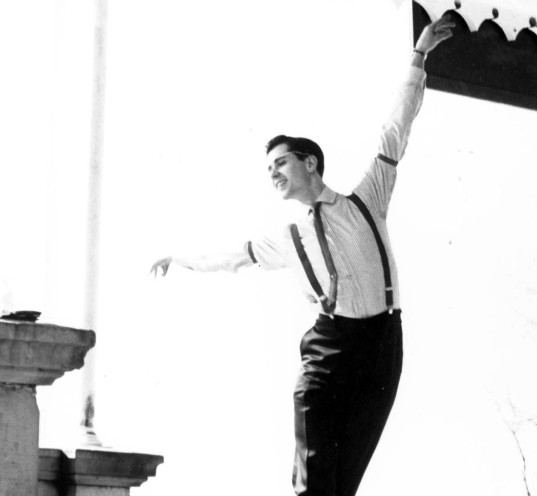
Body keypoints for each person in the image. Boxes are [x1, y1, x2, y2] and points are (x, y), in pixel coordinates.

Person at [149, 16, 456, 496]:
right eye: (268, 168)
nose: (273, 173)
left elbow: (397, 126)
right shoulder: (287, 237)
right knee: (312, 450)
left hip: (380, 345)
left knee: (346, 472)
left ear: (309, 162)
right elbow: (233, 256)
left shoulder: (366, 199)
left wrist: (419, 56)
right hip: (328, 345)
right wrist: (180, 258)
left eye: (280, 163)